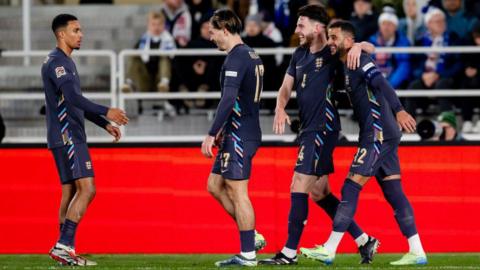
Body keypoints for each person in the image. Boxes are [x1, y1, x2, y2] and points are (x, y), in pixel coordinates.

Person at [259, 5, 379, 266]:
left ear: (318, 28)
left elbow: (370, 47)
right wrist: (280, 107)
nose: (296, 30)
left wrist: (360, 46)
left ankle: (289, 253)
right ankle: (363, 240)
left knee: (298, 184)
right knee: (319, 193)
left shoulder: (332, 51)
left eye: (301, 25)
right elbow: (285, 87)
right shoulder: (299, 54)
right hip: (307, 129)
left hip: (322, 128)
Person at [299, 20, 427, 266]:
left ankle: (330, 248)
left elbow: (381, 83)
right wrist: (361, 44)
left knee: (350, 187)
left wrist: (399, 110)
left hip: (378, 133)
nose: (331, 42)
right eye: (329, 37)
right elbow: (364, 49)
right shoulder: (347, 61)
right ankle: (417, 250)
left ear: (348, 41)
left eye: (335, 37)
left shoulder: (360, 60)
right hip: (380, 132)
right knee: (393, 193)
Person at [42, 14, 129, 266]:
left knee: (70, 191)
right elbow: (72, 98)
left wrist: (104, 124)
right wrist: (107, 111)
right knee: (88, 189)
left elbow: (74, 101)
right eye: (76, 30)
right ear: (62, 34)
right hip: (68, 135)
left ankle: (63, 249)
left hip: (62, 134)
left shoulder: (62, 61)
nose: (81, 35)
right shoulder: (59, 63)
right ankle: (64, 245)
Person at [201, 9, 264, 267]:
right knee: (214, 185)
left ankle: (248, 253)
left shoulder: (237, 58)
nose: (211, 37)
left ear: (225, 29)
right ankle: (253, 236)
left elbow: (228, 99)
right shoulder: (250, 54)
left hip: (241, 133)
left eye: (213, 31)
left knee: (239, 193)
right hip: (238, 130)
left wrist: (211, 132)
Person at [123, 11, 176, 115]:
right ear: (148, 25)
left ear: (164, 25)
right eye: (153, 24)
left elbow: (174, 61)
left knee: (165, 57)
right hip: (145, 80)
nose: (156, 27)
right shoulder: (143, 40)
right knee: (135, 56)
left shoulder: (169, 40)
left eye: (159, 24)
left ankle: (164, 82)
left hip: (161, 81)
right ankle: (129, 83)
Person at [369, 6, 411, 89]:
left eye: (389, 24)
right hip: (375, 82)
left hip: (394, 84)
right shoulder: (371, 41)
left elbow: (404, 67)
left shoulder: (403, 42)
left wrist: (388, 85)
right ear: (379, 26)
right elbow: (368, 65)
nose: (386, 27)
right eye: (383, 23)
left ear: (395, 27)